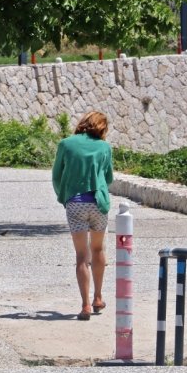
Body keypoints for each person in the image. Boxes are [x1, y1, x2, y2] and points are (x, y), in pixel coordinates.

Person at [51, 111, 114, 321]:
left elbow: (57, 176)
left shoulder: (66, 144)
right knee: (98, 249)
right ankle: (98, 297)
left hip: (75, 203)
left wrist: (65, 197)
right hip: (98, 203)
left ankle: (85, 305)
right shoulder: (104, 147)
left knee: (81, 256)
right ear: (101, 127)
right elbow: (108, 177)